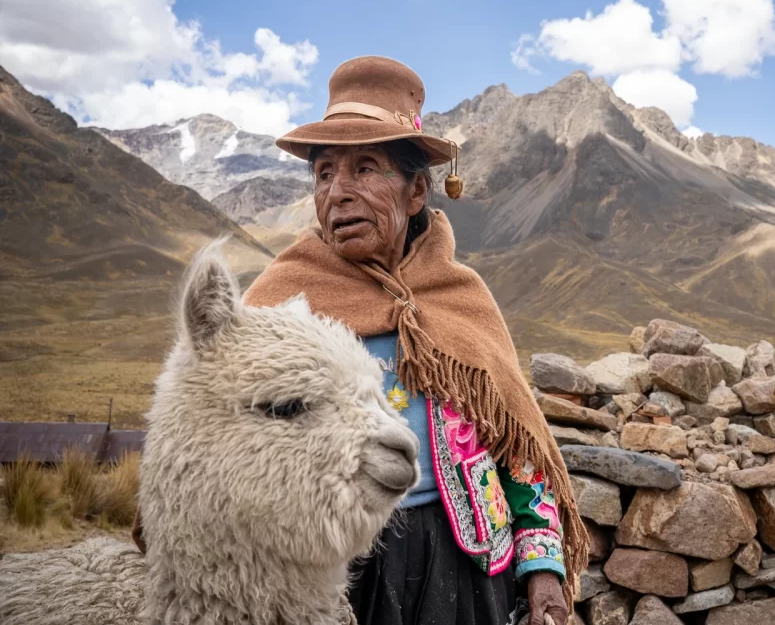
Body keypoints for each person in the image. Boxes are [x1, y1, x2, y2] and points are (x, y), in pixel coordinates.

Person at [240, 56, 587, 625]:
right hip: (331, 563)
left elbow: (516, 445)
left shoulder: (460, 295)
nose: (338, 193)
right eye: (324, 173)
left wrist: (543, 565)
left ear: (417, 190)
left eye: (366, 168)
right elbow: (223, 433)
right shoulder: (282, 299)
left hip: (469, 564)